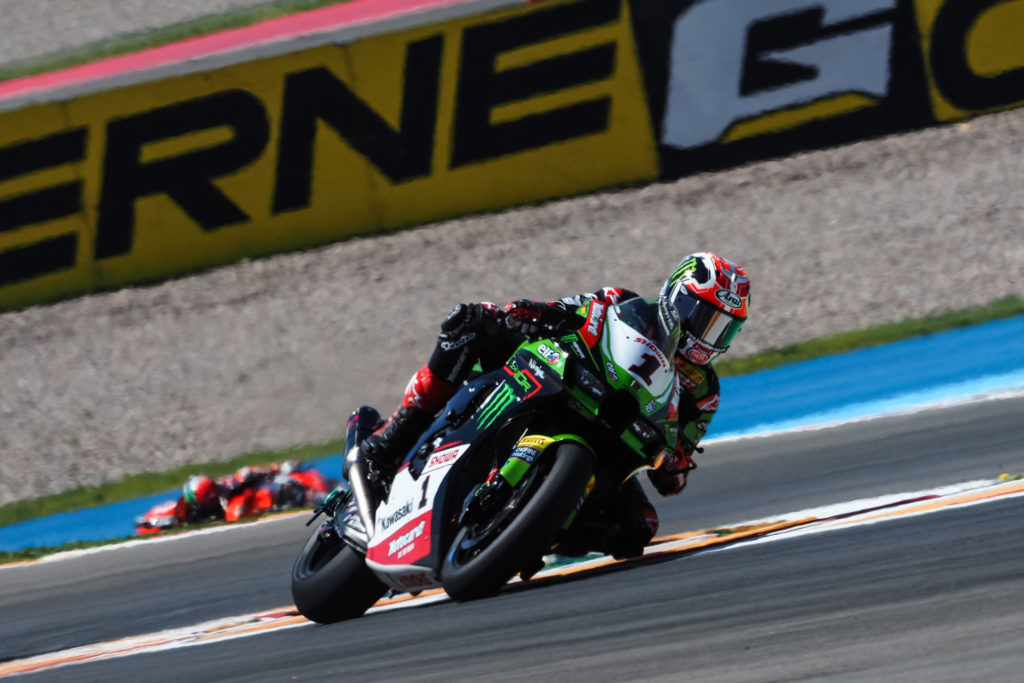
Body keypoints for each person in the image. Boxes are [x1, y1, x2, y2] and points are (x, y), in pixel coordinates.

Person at [351, 252, 750, 559]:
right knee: (470, 322)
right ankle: (390, 440)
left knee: (636, 528)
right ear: (675, 298)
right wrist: (530, 311)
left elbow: (676, 468)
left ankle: (526, 532)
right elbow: (570, 310)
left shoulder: (704, 392)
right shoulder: (623, 303)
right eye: (701, 317)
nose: (705, 336)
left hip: (615, 439)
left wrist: (674, 467)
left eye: (721, 328)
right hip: (562, 377)